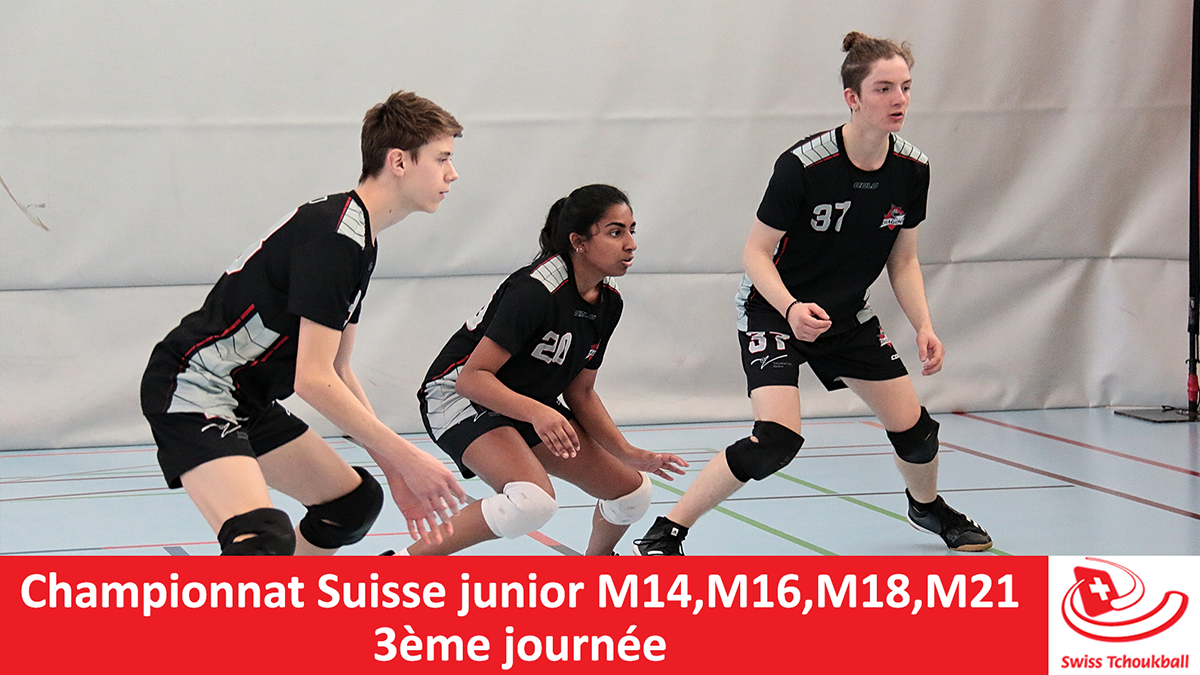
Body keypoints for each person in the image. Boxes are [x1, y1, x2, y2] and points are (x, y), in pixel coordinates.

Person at [634, 32, 992, 555]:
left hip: (846, 317)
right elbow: (755, 252)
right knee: (775, 440)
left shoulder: (913, 168)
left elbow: (903, 259)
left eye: (906, 87)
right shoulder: (804, 165)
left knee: (918, 435)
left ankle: (927, 508)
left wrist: (924, 325)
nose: (899, 99)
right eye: (884, 88)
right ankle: (668, 530)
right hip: (773, 311)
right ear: (853, 97)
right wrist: (791, 308)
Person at [140, 90, 468, 555]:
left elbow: (336, 368)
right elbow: (311, 381)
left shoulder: (361, 238)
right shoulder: (335, 236)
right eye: (442, 159)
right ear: (398, 161)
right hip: (195, 386)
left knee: (351, 505)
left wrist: (395, 471)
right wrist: (408, 456)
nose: (452, 174)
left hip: (246, 399)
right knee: (262, 538)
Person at [402, 184, 688, 556]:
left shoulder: (609, 302)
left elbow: (581, 392)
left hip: (524, 402)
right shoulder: (535, 291)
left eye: (632, 231)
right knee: (531, 503)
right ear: (578, 242)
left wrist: (627, 452)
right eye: (616, 232)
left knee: (632, 494)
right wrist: (538, 413)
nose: (631, 244)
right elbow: (472, 379)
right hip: (458, 394)